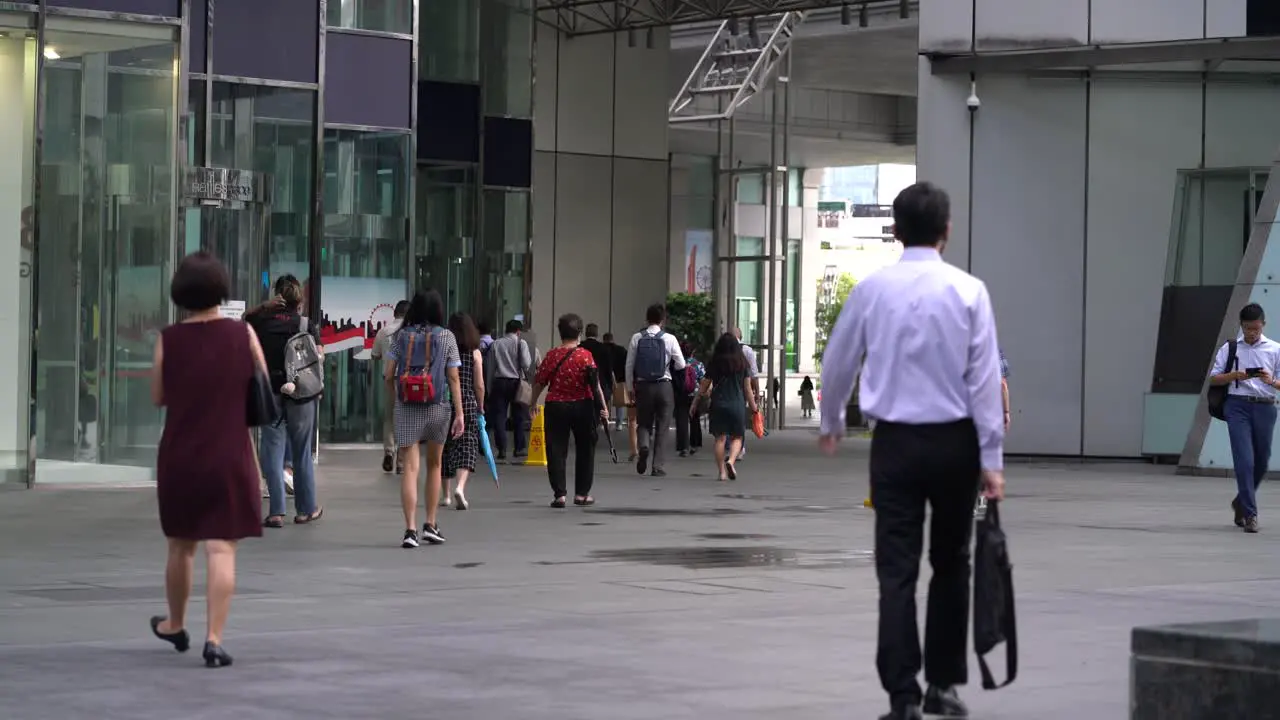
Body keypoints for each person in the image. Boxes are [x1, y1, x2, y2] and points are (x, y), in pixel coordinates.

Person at [817, 182, 1005, 720]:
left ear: (895, 231)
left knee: (895, 570)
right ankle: (942, 686)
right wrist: (991, 461)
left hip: (894, 445)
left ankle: (902, 696)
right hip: (956, 445)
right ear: (947, 231)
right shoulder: (970, 291)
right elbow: (984, 381)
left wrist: (831, 421)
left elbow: (839, 361)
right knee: (952, 563)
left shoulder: (872, 289)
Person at [150, 251, 266, 668]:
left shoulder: (168, 338)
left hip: (181, 455)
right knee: (222, 548)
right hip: (229, 453)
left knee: (181, 546)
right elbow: (261, 384)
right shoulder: (242, 335)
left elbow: (158, 396)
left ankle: (175, 623)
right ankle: (214, 639)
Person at [385, 290, 465, 548]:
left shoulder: (400, 336)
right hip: (438, 406)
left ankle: (410, 530)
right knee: (434, 464)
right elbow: (453, 377)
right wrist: (460, 412)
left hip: (407, 406)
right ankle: (430, 524)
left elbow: (388, 375)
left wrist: (395, 399)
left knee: (410, 467)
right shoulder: (447, 336)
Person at [245, 275, 323, 528]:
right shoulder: (305, 324)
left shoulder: (262, 322)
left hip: (271, 392)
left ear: (277, 297)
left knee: (272, 449)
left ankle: (276, 511)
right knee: (301, 452)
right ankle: (306, 509)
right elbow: (318, 358)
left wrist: (264, 307)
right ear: (297, 300)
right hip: (301, 394)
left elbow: (244, 320)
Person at [1209, 302, 1280, 533]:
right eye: (1248, 328)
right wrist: (1234, 375)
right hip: (1237, 406)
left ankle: (1240, 501)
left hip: (1265, 407)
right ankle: (1250, 514)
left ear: (1263, 325)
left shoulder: (1275, 349)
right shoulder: (1230, 348)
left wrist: (1271, 381)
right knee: (1244, 460)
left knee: (1262, 460)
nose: (1252, 333)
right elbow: (1214, 378)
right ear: (1241, 325)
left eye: (1256, 329)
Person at [530, 314, 608, 508]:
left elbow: (539, 382)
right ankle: (582, 494)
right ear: (579, 333)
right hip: (583, 405)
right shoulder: (585, 356)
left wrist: (532, 403)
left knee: (555, 449)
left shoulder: (552, 355)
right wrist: (603, 407)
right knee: (585, 449)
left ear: (560, 333)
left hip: (556, 406)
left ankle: (559, 495)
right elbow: (595, 384)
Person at [626, 303, 686, 476]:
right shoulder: (670, 339)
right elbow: (681, 364)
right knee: (663, 426)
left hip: (643, 386)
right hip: (664, 386)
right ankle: (657, 466)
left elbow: (629, 365)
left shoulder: (637, 338)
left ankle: (643, 445)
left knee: (643, 422)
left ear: (647, 318)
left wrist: (630, 387)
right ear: (663, 320)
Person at [694, 333, 757, 481]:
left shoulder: (715, 362)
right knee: (737, 437)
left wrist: (695, 402)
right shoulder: (742, 363)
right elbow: (747, 389)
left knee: (720, 439)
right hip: (737, 404)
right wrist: (754, 408)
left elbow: (704, 385)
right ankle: (731, 461)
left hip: (718, 404)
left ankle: (721, 472)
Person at [443, 312, 485, 511]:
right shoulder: (474, 352)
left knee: (445, 448)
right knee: (467, 445)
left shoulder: (445, 349)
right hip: (467, 402)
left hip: (445, 401)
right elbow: (479, 385)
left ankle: (445, 495)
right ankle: (460, 488)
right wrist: (481, 406)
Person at [486, 319, 533, 461]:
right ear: (518, 331)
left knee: (500, 416)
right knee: (518, 416)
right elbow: (526, 364)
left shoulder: (496, 343)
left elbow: (491, 367)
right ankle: (519, 448)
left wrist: (489, 387)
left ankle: (502, 449)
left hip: (499, 382)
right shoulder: (521, 343)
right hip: (516, 382)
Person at [372, 300, 409, 474]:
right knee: (406, 419)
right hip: (408, 381)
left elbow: (375, 355)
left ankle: (389, 451)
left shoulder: (384, 331)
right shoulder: (411, 332)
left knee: (389, 417)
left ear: (395, 313)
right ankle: (401, 462)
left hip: (389, 379)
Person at [733, 327, 759, 461]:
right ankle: (739, 448)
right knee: (739, 418)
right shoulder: (747, 350)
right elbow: (754, 373)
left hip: (725, 391)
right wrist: (756, 396)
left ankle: (730, 447)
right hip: (742, 389)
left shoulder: (721, 350)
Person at [674, 341, 702, 457]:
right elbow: (702, 379)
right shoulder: (698, 364)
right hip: (694, 395)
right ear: (693, 352)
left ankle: (683, 447)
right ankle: (694, 444)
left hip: (680, 394)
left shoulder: (677, 364)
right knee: (694, 419)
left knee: (681, 420)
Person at [581, 323, 614, 418]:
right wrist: (610, 388)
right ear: (597, 334)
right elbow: (609, 369)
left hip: (583, 388)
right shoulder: (604, 348)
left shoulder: (580, 347)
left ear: (585, 333)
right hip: (601, 386)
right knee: (597, 416)